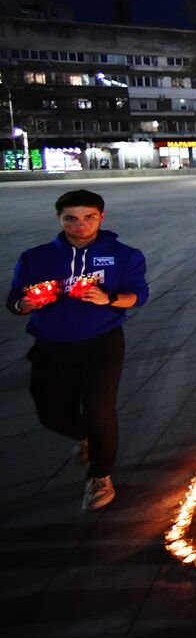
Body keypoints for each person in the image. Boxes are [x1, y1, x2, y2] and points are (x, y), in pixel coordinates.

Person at [6, 189, 149, 510]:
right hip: (51, 343)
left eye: (89, 217)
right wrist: (24, 304)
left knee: (100, 409)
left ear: (101, 217)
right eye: (71, 218)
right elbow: (14, 300)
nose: (80, 225)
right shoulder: (36, 257)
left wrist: (108, 298)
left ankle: (100, 476)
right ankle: (86, 437)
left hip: (102, 342)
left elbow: (138, 295)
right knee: (51, 413)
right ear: (59, 219)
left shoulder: (123, 254)